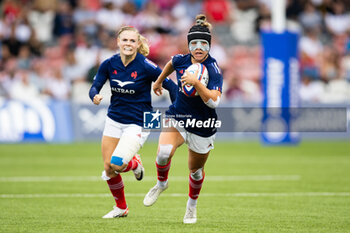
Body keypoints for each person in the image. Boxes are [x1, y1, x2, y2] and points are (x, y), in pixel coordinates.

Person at [89, 25, 177, 218]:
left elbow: (172, 87)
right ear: (118, 42)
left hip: (142, 120)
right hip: (114, 118)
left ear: (138, 44)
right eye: (125, 40)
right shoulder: (108, 64)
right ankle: (121, 208)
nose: (128, 44)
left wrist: (177, 110)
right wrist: (94, 96)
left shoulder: (146, 65)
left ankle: (135, 164)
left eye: (132, 41)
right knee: (108, 168)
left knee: (118, 164)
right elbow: (94, 86)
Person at [143, 14, 223, 224]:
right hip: (178, 117)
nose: (198, 47)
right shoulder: (181, 59)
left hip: (202, 125)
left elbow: (214, 102)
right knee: (163, 152)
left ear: (209, 46)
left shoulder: (214, 70)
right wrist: (159, 81)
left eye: (203, 44)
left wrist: (197, 83)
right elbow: (170, 64)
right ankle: (161, 184)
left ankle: (191, 207)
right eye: (194, 43)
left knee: (195, 172)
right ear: (188, 45)